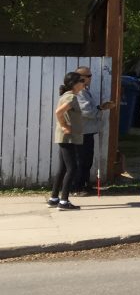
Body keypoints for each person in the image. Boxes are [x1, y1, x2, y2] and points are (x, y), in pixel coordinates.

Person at [48, 71, 86, 210]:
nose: (83, 84)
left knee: (63, 168)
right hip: (68, 138)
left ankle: (54, 198)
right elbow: (58, 112)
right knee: (72, 168)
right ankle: (64, 201)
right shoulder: (71, 97)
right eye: (81, 81)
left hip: (66, 138)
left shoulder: (67, 96)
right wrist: (64, 126)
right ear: (74, 84)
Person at [73, 65, 113, 195]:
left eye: (90, 75)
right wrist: (100, 109)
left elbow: (90, 109)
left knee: (87, 160)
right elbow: (86, 111)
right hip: (81, 132)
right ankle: (77, 187)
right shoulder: (79, 92)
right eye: (88, 76)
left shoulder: (85, 90)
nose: (91, 78)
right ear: (80, 77)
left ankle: (85, 184)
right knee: (81, 160)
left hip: (88, 131)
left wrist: (100, 107)